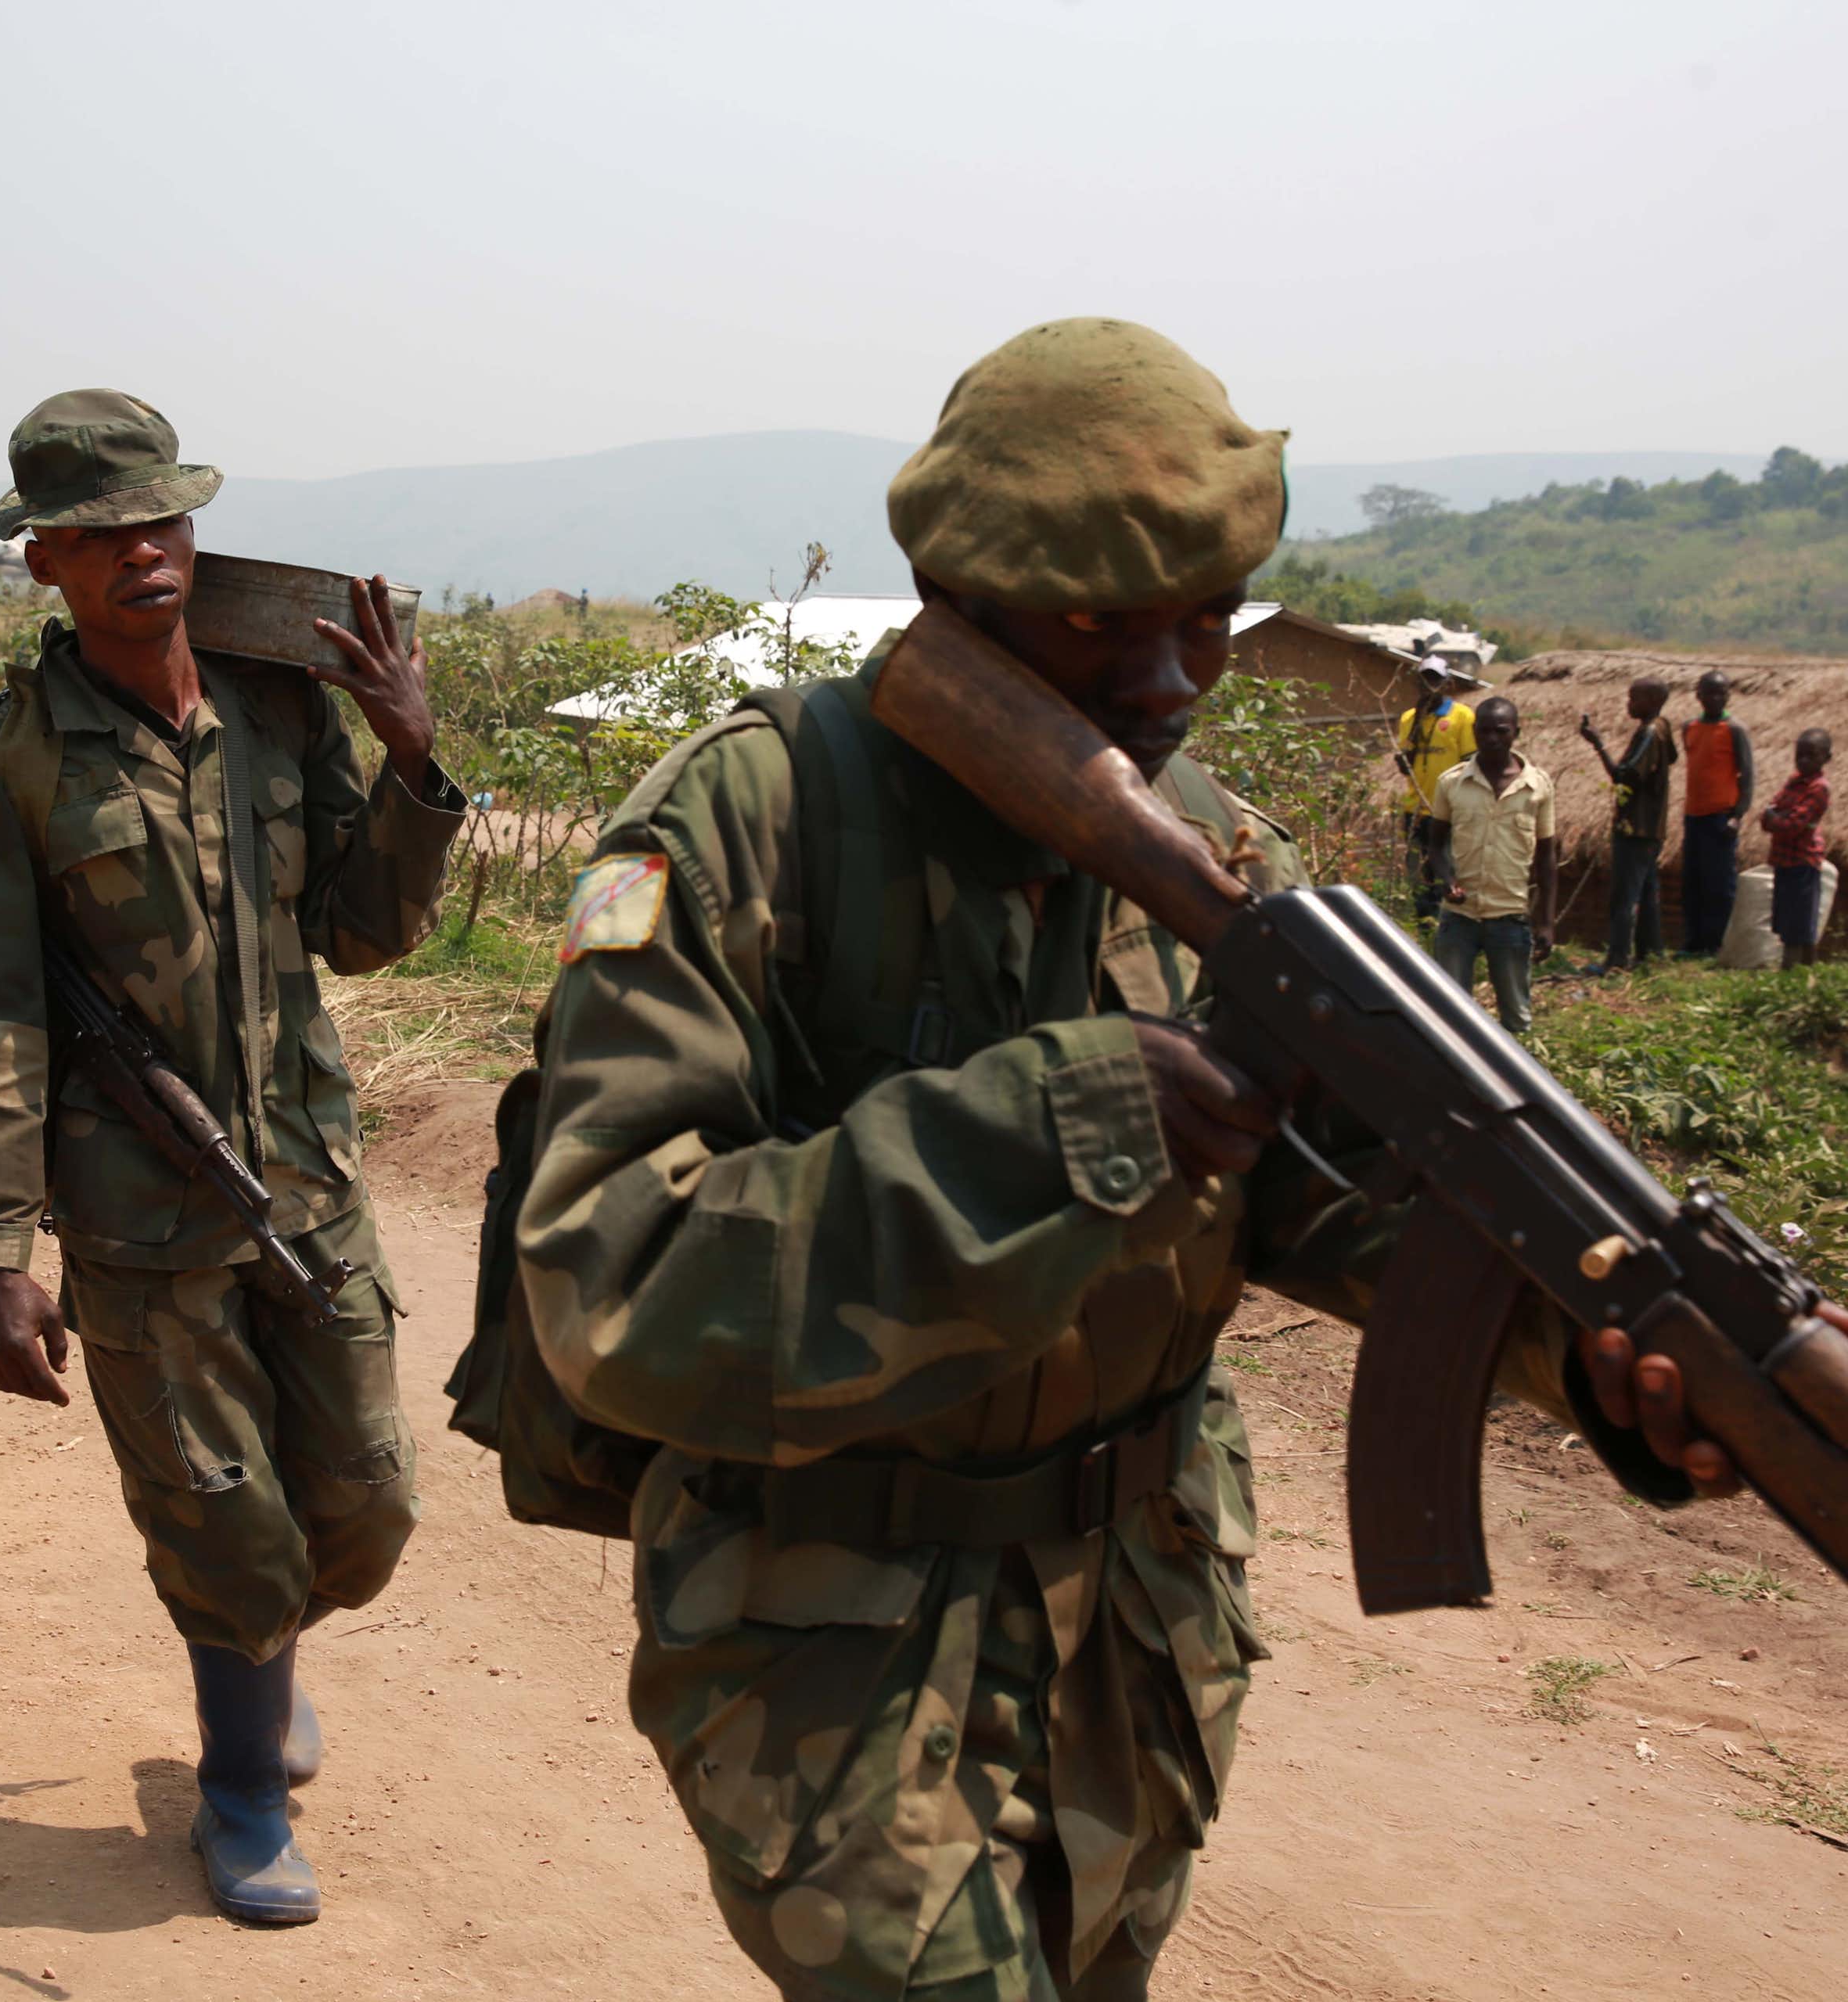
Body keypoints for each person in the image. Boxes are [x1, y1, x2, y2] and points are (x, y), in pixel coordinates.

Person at [516, 321, 1746, 2002]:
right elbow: (614, 1281)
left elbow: (1349, 1199)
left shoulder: (1214, 848)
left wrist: (1609, 1356)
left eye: (1200, 623)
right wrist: (1063, 1120)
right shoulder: (747, 820)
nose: (1166, 680)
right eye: (1099, 625)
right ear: (953, 592)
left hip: (1139, 1617)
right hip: (830, 1624)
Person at [0, 390, 467, 1925]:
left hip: (309, 1177)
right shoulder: (16, 756)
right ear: (48, 564)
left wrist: (413, 761)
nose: (139, 552)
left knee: (364, 1508)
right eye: (97, 534)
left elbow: (363, 926)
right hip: (136, 1213)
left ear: (193, 530)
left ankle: (265, 1646)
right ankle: (236, 1783)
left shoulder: (280, 708)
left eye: (159, 520)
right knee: (224, 1519)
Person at [1425, 695, 1556, 1032]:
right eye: (1484, 732)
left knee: (1517, 1017)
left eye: (1501, 731)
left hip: (1510, 915)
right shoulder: (1452, 783)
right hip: (1459, 916)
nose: (1492, 739)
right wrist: (1446, 878)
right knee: (1450, 1014)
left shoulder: (1538, 787)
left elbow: (1546, 857)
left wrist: (1545, 922)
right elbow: (1436, 844)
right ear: (1474, 732)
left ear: (1517, 732)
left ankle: (1516, 1082)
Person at [1579, 678, 1676, 972]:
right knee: (1647, 892)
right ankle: (1651, 953)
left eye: (1634, 699)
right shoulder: (1663, 727)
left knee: (1625, 896)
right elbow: (1671, 757)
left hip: (1636, 826)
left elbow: (1624, 776)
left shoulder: (1648, 732)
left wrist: (1598, 745)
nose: (1629, 704)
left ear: (1651, 700)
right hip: (1651, 827)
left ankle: (1617, 959)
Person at [1393, 659, 1475, 919]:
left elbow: (1469, 763)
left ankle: (1447, 924)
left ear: (1447, 682)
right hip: (1416, 808)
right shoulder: (1408, 718)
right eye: (1424, 679)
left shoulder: (1461, 716)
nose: (1429, 685)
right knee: (1418, 875)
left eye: (1435, 679)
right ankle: (1423, 928)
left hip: (1448, 810)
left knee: (1446, 872)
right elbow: (1408, 767)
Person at [1678, 670, 1753, 955]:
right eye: (1709, 693)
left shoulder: (1735, 729)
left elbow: (1747, 775)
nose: (1715, 698)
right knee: (1693, 882)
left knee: (1719, 885)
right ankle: (1693, 942)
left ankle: (1716, 945)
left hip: (1721, 816)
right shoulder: (1690, 727)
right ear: (1698, 695)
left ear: (1728, 696)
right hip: (1694, 814)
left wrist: (1738, 815)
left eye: (1721, 693)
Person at [1761, 727, 1833, 969]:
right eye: (1799, 754)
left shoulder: (1819, 788)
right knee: (1786, 918)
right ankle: (1797, 973)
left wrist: (1776, 818)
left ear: (1826, 758)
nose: (1803, 760)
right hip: (1784, 859)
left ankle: (1794, 974)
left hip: (1803, 860)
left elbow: (1794, 824)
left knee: (1800, 921)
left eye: (1810, 755)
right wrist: (1776, 817)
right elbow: (1769, 811)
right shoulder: (1793, 782)